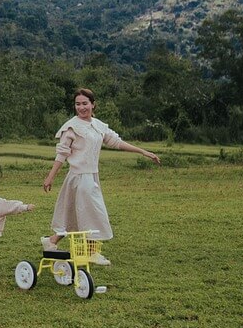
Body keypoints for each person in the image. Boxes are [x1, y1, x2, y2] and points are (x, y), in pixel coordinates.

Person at [40, 88, 160, 265]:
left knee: (75, 214)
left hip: (91, 176)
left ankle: (51, 241)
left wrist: (143, 151)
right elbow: (62, 154)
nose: (81, 107)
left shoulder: (98, 125)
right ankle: (92, 252)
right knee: (94, 212)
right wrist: (50, 177)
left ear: (93, 104)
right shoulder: (71, 127)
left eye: (85, 103)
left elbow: (116, 142)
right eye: (78, 104)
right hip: (78, 177)